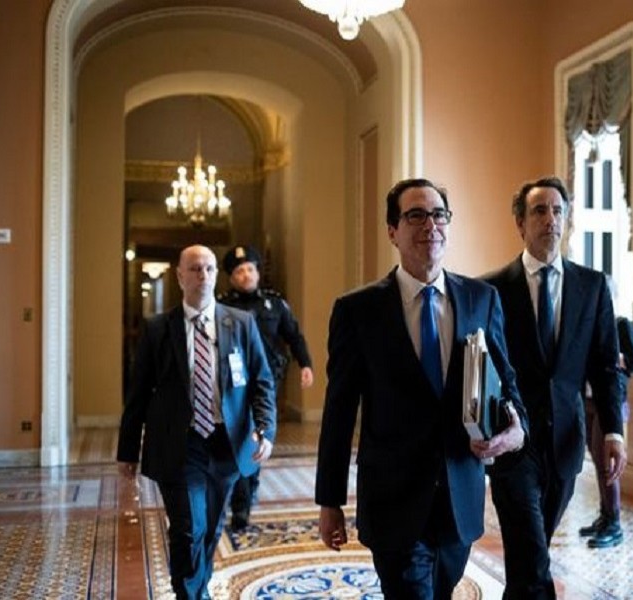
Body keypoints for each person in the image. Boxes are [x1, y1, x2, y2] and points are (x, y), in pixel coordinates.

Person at [314, 178, 528, 599]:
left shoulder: (480, 299)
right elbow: (339, 411)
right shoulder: (358, 311)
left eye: (438, 214)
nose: (429, 224)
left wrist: (517, 429)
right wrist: (330, 500)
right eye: (415, 215)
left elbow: (505, 379)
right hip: (393, 500)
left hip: (459, 499)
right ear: (392, 230)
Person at [483, 176, 627, 599]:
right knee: (530, 548)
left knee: (531, 552)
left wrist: (614, 431)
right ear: (520, 223)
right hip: (512, 442)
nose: (550, 219)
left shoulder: (593, 287)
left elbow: (605, 367)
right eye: (539, 211)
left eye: (558, 210)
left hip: (566, 440)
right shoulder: (491, 288)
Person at [117, 245, 276, 600]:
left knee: (210, 528)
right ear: (179, 276)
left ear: (216, 274)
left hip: (226, 443)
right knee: (189, 528)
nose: (202, 276)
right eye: (194, 269)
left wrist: (265, 428)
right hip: (179, 444)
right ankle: (191, 596)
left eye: (208, 269)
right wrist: (128, 450)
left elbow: (261, 381)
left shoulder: (241, 323)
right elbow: (138, 392)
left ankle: (196, 588)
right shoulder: (158, 328)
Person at [219, 244, 315, 530]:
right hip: (233, 386)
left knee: (256, 438)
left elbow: (293, 335)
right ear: (231, 277)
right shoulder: (223, 306)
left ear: (258, 272)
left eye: (250, 269)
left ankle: (244, 499)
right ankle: (239, 498)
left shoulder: (274, 304)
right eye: (239, 271)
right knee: (235, 440)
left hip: (266, 383)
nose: (245, 275)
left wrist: (306, 364)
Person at [579, 280, 633, 548]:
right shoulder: (589, 327)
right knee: (596, 458)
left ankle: (614, 523)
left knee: (608, 462)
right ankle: (604, 515)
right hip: (589, 401)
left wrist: (608, 358)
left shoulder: (622, 324)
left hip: (611, 403)